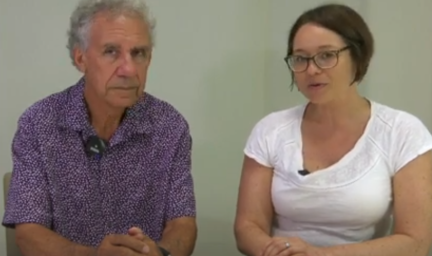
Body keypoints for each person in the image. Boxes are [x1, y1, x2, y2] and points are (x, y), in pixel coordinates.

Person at [234, 3, 432, 256]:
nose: (312, 69)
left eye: (327, 55)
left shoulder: (403, 132)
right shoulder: (271, 130)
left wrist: (318, 254)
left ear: (358, 57)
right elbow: (247, 227)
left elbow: (415, 242)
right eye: (300, 58)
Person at [2, 0, 197, 256]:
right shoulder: (39, 123)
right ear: (80, 58)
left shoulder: (170, 126)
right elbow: (28, 234)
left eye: (138, 53)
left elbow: (183, 224)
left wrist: (159, 252)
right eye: (111, 52)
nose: (128, 69)